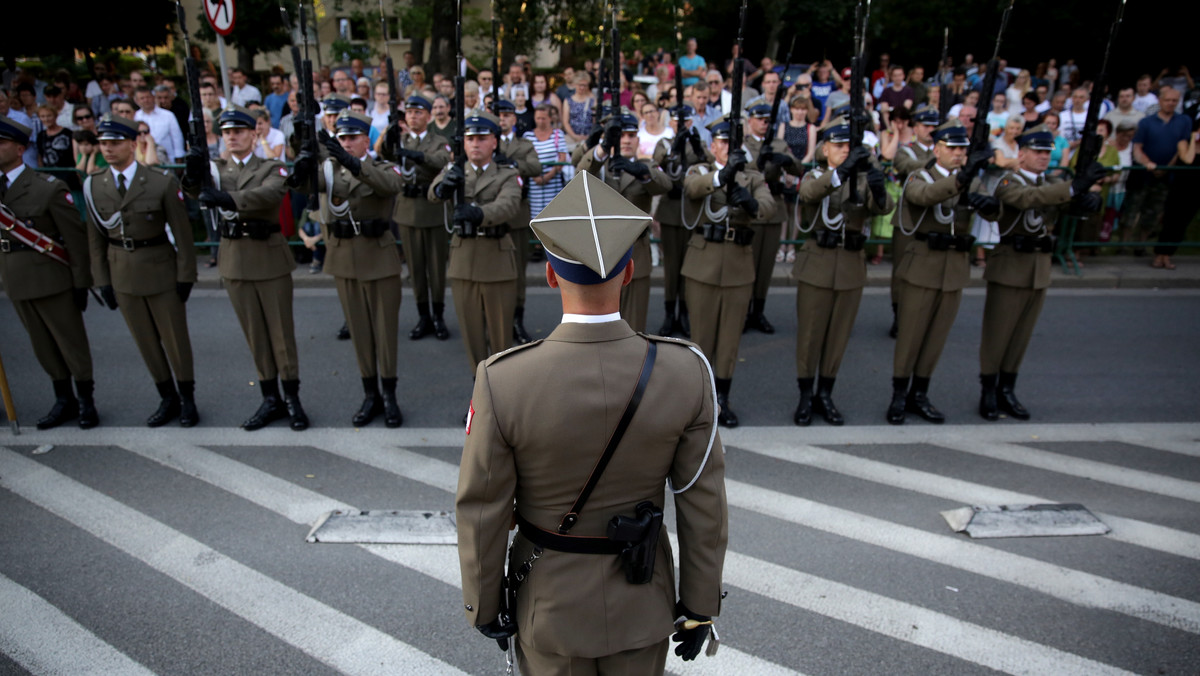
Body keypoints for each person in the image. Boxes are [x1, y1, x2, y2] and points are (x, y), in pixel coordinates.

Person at [456, 171, 727, 675]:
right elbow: (703, 506)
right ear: (628, 274)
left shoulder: (503, 379)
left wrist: (484, 603)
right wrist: (699, 606)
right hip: (641, 604)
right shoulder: (684, 371)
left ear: (551, 276)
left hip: (550, 607)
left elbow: (482, 508)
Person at [182, 104, 308, 431]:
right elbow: (194, 191)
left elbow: (269, 195)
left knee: (281, 333)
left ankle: (292, 397)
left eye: (239, 131)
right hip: (235, 259)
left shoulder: (271, 166)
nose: (232, 137)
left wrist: (225, 199)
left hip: (268, 256)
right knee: (255, 334)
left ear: (255, 133)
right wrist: (191, 172)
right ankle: (270, 398)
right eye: (227, 132)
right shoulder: (215, 169)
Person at [978, 124, 1106, 420]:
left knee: (1021, 334)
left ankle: (1007, 388)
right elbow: (1028, 200)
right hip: (1010, 265)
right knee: (998, 333)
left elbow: (1065, 205)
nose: (1044, 157)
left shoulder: (1049, 184)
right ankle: (988, 388)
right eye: (1037, 151)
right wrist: (1073, 187)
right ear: (1021, 154)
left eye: (1047, 152)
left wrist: (1087, 199)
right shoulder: (1009, 181)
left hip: (1038, 267)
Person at [83, 114, 199, 427]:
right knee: (145, 341)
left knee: (175, 339)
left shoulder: (160, 181)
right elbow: (95, 240)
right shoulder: (95, 186)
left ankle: (187, 398)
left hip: (160, 268)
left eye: (115, 142)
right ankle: (167, 397)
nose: (108, 149)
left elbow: (183, 233)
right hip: (122, 273)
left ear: (133, 144)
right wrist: (102, 280)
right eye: (103, 143)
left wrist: (186, 274)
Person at [295, 109, 405, 426]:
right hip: (344, 260)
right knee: (359, 331)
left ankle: (390, 395)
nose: (346, 143)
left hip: (378, 258)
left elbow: (389, 185)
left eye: (352, 138)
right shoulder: (329, 171)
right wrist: (300, 149)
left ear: (364, 140)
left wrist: (351, 162)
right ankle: (370, 394)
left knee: (384, 332)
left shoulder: (381, 166)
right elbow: (303, 184)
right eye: (341, 138)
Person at [888, 120, 994, 425]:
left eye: (963, 148)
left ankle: (920, 394)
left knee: (936, 337)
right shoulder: (919, 175)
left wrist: (986, 202)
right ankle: (898, 393)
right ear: (937, 149)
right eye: (953, 147)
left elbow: (992, 210)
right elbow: (924, 196)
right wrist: (962, 180)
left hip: (953, 269)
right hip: (922, 265)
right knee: (910, 335)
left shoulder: (972, 180)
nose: (959, 153)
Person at [792, 115, 893, 426]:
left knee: (838, 335)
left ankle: (826, 393)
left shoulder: (860, 179)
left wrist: (875, 181)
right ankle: (805, 395)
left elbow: (885, 207)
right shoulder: (816, 176)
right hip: (818, 264)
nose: (844, 150)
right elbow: (808, 195)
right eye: (838, 146)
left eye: (850, 146)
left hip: (849, 265)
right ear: (825, 150)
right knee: (810, 335)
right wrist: (841, 173)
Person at [0, 117, 98, 429]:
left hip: (50, 278)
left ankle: (86, 401)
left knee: (71, 343)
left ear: (20, 148)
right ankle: (63, 399)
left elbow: (75, 239)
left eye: (1, 143)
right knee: (42, 346)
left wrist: (82, 282)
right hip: (15, 279)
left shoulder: (47, 188)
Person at [681, 113, 775, 427]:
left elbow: (767, 207)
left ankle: (722, 398)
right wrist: (722, 177)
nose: (727, 146)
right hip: (703, 263)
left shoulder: (753, 176)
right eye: (722, 141)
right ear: (714, 146)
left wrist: (748, 202)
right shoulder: (702, 170)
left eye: (732, 142)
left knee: (730, 337)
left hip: (738, 262)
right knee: (702, 334)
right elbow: (692, 188)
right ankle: (699, 399)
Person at [427, 111, 523, 379]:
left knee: (501, 336)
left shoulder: (507, 173)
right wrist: (444, 188)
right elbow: (432, 194)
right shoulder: (454, 170)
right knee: (472, 337)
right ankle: (480, 396)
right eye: (470, 139)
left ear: (494, 141)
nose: (475, 144)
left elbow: (509, 204)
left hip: (497, 260)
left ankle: (503, 397)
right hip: (464, 261)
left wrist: (478, 214)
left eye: (482, 138)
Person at [578, 108, 672, 332]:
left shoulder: (645, 166)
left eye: (631, 136)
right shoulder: (598, 166)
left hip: (635, 252)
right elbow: (580, 173)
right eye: (621, 136)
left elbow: (665, 184)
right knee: (600, 326)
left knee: (634, 325)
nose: (626, 141)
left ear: (638, 139)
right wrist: (602, 150)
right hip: (602, 253)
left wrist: (640, 171)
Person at [383, 94, 453, 340]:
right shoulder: (399, 139)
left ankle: (438, 315)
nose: (413, 116)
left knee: (436, 267)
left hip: (431, 209)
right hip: (408, 210)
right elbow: (383, 155)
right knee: (416, 268)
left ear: (428, 115)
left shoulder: (437, 140)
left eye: (418, 112)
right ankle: (423, 315)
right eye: (410, 113)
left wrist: (416, 156)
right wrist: (388, 134)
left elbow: (441, 161)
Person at [743, 98, 799, 334]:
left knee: (765, 267)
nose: (765, 123)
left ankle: (759, 310)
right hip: (752, 211)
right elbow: (743, 172)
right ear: (751, 120)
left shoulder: (779, 143)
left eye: (768, 120)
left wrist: (787, 160)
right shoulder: (743, 144)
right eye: (760, 119)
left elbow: (797, 169)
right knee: (749, 265)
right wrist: (760, 160)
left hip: (774, 211)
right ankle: (744, 311)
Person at [653, 104, 706, 337]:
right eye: (676, 121)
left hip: (691, 212)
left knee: (688, 267)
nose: (680, 125)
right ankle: (668, 314)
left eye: (684, 122)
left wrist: (695, 146)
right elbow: (656, 165)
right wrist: (674, 148)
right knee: (672, 267)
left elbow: (708, 163)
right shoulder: (664, 144)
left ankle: (684, 313)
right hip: (672, 211)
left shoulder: (697, 143)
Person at [494, 99, 543, 344]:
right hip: (491, 213)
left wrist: (514, 163)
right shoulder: (486, 143)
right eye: (498, 115)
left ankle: (517, 320)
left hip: (519, 213)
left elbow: (535, 166)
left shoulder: (523, 144)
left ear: (514, 118)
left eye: (506, 115)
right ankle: (495, 319)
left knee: (519, 273)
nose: (502, 119)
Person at [1128, 87, 1190, 261]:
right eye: (1167, 100)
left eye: (1174, 101)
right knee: (1133, 208)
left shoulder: (1183, 121)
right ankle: (1123, 246)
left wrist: (1167, 167)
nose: (1170, 104)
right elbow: (1137, 147)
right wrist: (1148, 163)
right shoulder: (1146, 122)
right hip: (1144, 174)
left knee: (1154, 212)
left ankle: (1141, 245)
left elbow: (1182, 146)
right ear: (1160, 101)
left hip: (1168, 175)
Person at [1156, 119, 1200, 270]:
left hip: (1195, 192)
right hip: (1179, 189)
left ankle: (1168, 255)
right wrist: (1194, 139)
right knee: (1170, 221)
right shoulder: (1184, 143)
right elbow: (1188, 159)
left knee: (1182, 224)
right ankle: (1159, 254)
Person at [562, 72, 596, 149]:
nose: (582, 87)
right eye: (580, 85)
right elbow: (565, 122)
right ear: (575, 85)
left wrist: (590, 136)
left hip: (588, 137)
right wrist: (574, 136)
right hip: (572, 138)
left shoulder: (592, 100)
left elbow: (595, 121)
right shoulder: (568, 101)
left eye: (584, 85)